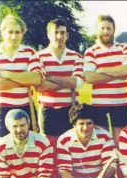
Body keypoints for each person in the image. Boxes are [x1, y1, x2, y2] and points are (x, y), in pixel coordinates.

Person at [56, 103, 117, 178]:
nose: (85, 128)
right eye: (81, 124)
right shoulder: (64, 140)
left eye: (89, 123)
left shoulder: (105, 136)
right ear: (74, 125)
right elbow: (64, 171)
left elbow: (111, 166)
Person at [83, 15, 127, 144]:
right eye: (102, 28)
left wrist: (100, 70)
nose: (105, 31)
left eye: (109, 28)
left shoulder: (123, 48)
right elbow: (89, 77)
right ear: (96, 30)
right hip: (99, 104)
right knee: (102, 143)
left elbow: (126, 71)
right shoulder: (90, 51)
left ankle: (121, 165)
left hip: (120, 103)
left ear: (114, 30)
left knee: (121, 143)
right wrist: (116, 72)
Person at [36, 18, 84, 149]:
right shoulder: (39, 57)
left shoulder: (76, 57)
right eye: (55, 32)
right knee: (49, 147)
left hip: (70, 107)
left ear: (67, 35)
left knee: (70, 146)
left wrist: (50, 77)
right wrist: (67, 81)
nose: (59, 36)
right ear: (48, 34)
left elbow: (78, 82)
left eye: (62, 33)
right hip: (48, 109)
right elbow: (40, 85)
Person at [0, 15, 44, 138]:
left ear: (22, 33)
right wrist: (24, 79)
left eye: (17, 32)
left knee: (29, 144)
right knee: (3, 146)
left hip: (26, 107)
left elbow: (36, 79)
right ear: (2, 32)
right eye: (10, 32)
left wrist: (6, 74)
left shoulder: (29, 52)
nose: (14, 36)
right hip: (2, 109)